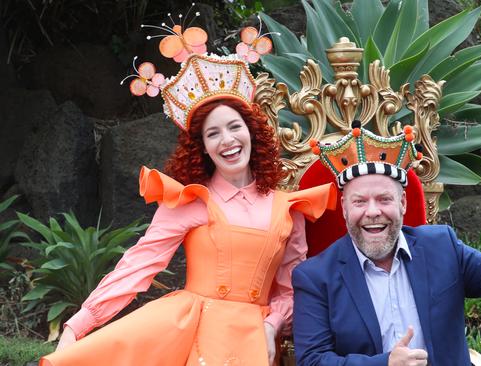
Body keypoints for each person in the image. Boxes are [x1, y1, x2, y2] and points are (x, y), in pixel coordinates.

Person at [40, 37, 336, 365]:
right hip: (188, 333)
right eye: (213, 134)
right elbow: (138, 265)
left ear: (252, 131)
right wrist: (76, 326)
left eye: (234, 127)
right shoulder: (189, 200)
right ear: (202, 148)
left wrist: (271, 325)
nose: (227, 140)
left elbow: (291, 287)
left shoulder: (287, 208)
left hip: (252, 342)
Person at [292, 122, 481, 365]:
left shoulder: (441, 247)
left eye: (384, 199)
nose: (372, 212)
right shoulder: (315, 277)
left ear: (403, 204)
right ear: (344, 209)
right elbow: (313, 360)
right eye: (360, 202)